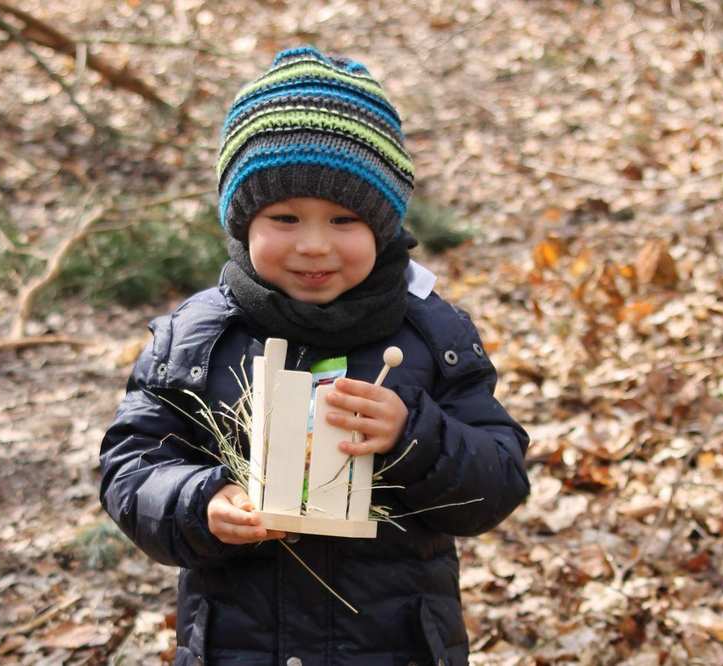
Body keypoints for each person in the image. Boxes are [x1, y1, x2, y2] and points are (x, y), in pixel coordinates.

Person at [99, 45, 530, 666]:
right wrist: (202, 502)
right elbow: (130, 468)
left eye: (345, 219)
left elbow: (498, 482)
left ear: (382, 226)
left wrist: (414, 435)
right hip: (242, 646)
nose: (314, 245)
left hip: (394, 646)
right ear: (243, 220)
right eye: (286, 216)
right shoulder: (199, 339)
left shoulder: (432, 335)